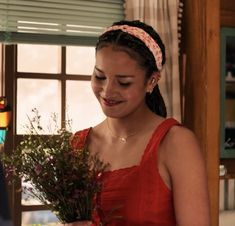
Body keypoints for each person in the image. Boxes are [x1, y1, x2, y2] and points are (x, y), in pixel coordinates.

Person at [71, 20, 211, 226]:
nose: (108, 91)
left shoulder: (176, 143)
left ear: (152, 81)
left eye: (124, 82)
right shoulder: (78, 145)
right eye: (100, 76)